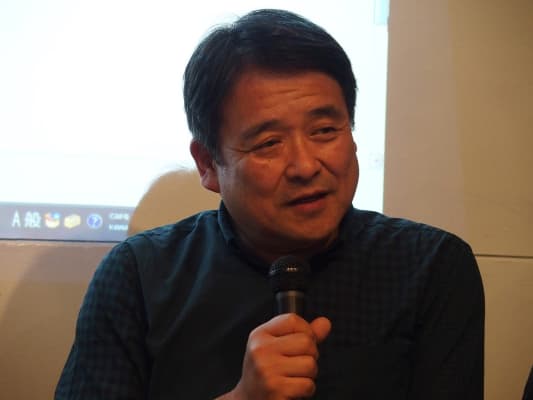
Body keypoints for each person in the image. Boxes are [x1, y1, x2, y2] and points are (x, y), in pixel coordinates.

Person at [55, 9, 484, 399]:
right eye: (268, 143)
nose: (305, 166)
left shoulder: (431, 267)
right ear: (207, 164)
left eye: (324, 131)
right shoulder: (139, 276)